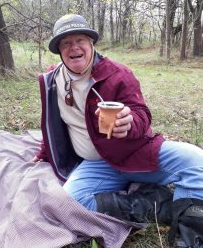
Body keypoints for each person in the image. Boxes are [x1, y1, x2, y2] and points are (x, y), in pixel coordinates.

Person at [32, 14, 203, 248]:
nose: (74, 48)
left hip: (137, 155)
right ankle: (156, 204)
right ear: (59, 51)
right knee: (71, 201)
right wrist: (44, 151)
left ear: (91, 44)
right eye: (66, 43)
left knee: (196, 160)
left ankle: (191, 229)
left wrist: (129, 121)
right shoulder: (51, 80)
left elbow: (142, 114)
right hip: (97, 165)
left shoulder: (117, 73)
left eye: (80, 40)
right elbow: (51, 121)